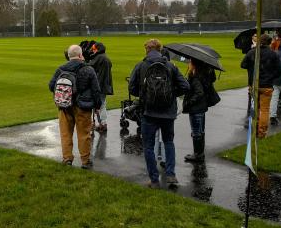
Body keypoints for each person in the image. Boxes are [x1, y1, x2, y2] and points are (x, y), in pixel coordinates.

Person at [128, 39, 189, 187]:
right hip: (168, 112)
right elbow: (185, 86)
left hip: (148, 112)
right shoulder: (171, 66)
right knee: (169, 142)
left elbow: (132, 88)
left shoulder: (141, 65)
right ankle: (171, 174)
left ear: (147, 50)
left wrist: (145, 95)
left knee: (148, 146)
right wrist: (171, 95)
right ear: (160, 49)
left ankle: (154, 179)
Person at [49, 44, 102, 168]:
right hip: (83, 106)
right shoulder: (88, 69)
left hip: (64, 106)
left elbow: (51, 86)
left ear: (68, 56)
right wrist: (97, 105)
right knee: (84, 134)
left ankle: (67, 159)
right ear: (80, 55)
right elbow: (96, 90)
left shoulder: (61, 69)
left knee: (65, 134)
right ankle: (85, 161)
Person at [241, 33, 281, 139]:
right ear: (269, 42)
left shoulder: (252, 52)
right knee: (264, 110)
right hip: (266, 85)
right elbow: (280, 69)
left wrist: (251, 69)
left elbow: (243, 64)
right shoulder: (273, 54)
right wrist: (271, 77)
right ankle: (262, 132)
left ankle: (255, 129)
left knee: (255, 109)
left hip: (254, 85)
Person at [182, 59, 217, 166]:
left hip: (196, 109)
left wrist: (189, 102)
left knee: (196, 132)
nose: (188, 64)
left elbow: (199, 93)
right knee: (200, 131)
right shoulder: (202, 75)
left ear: (194, 65)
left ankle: (197, 155)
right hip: (201, 108)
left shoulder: (196, 78)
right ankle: (200, 154)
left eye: (190, 63)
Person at [87, 42, 113, 133]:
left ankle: (99, 124)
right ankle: (103, 123)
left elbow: (88, 67)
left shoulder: (99, 58)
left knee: (98, 105)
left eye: (94, 49)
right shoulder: (105, 57)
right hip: (104, 85)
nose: (93, 51)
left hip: (98, 85)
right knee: (102, 104)